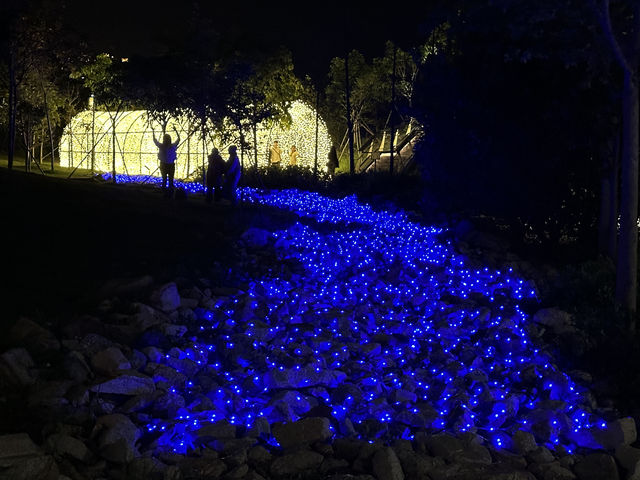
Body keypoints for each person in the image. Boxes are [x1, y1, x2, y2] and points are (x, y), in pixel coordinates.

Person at [152, 127, 180, 195]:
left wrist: (153, 132)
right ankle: (169, 193)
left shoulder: (162, 146)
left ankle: (165, 193)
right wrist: (176, 131)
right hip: (169, 165)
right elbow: (178, 139)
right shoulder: (171, 146)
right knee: (169, 180)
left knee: (165, 180)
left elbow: (155, 141)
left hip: (165, 165)